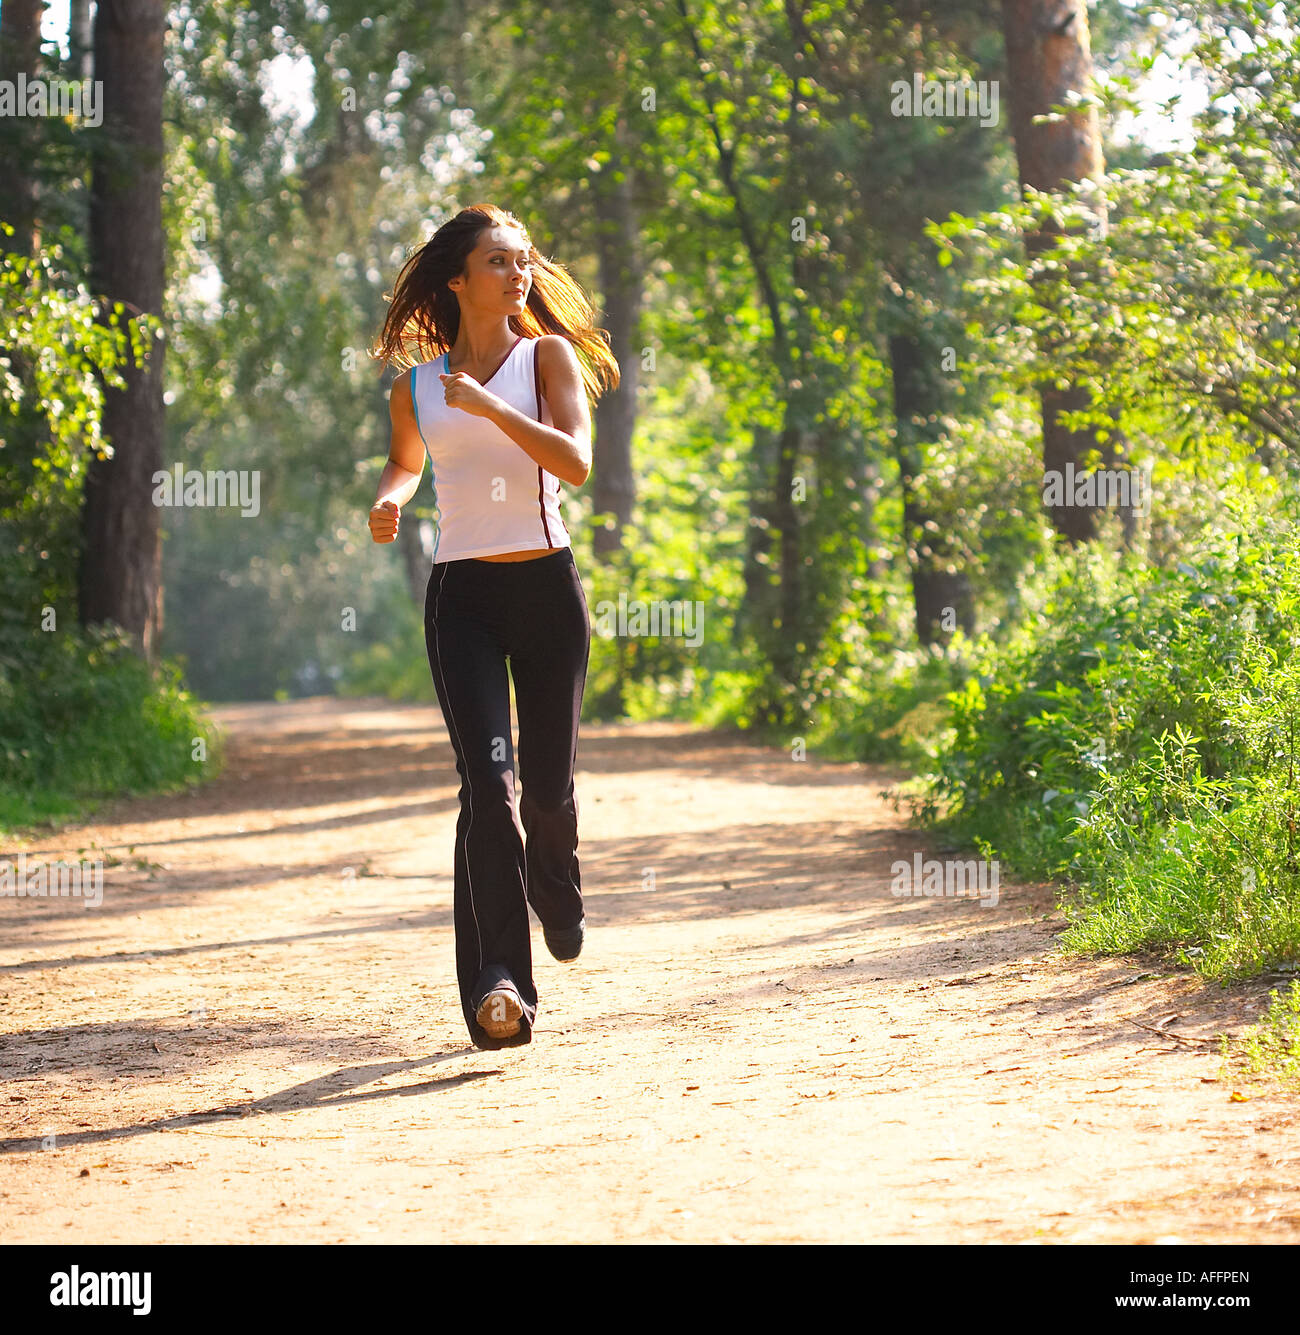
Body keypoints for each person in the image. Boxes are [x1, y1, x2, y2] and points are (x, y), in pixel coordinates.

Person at [368, 204, 620, 1050]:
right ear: (458, 278)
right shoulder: (415, 388)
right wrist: (390, 498)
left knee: (546, 789)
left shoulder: (545, 357)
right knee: (489, 789)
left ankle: (558, 881)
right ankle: (500, 986)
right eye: (499, 262)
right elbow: (410, 459)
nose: (520, 275)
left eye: (525, 261)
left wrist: (488, 406)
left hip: (547, 592)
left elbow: (575, 463)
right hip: (463, 601)